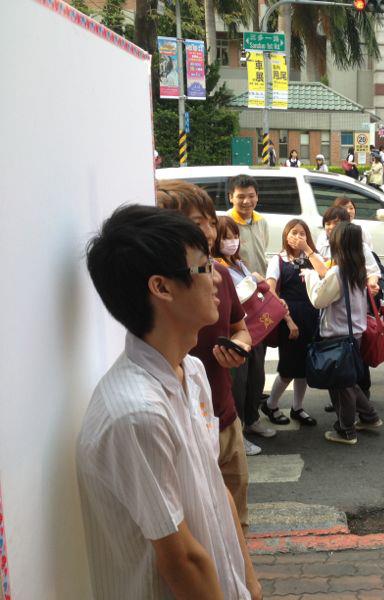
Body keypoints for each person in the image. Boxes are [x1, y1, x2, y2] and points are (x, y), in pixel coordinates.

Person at [80, 205, 261, 599]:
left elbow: (216, 489)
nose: (218, 278)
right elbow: (181, 561)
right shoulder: (137, 414)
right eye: (204, 267)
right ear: (161, 287)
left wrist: (250, 584)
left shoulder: (191, 371)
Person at [156, 180, 256, 530]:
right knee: (203, 529)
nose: (210, 232)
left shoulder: (222, 276)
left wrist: (240, 346)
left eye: (212, 222)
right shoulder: (160, 293)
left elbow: (241, 328)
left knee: (236, 522)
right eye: (197, 223)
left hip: (225, 418)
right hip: (187, 433)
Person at [305, 223, 383, 444]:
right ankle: (369, 416)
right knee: (347, 381)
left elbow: (318, 299)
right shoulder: (358, 268)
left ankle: (346, 430)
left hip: (337, 335)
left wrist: (310, 276)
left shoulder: (338, 272)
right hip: (353, 333)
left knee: (342, 386)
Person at [212, 216, 273, 456]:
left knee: (256, 378)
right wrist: (252, 282)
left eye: (235, 236)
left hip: (255, 330)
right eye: (226, 237)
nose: (232, 241)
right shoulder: (217, 268)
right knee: (238, 384)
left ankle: (252, 419)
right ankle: (239, 433)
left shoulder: (238, 263)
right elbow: (234, 297)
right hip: (235, 333)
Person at [262, 220, 328, 427]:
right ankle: (271, 404)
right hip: (289, 317)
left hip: (312, 316)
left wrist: (307, 249)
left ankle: (297, 407)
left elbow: (325, 274)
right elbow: (270, 291)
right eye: (293, 233)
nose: (298, 237)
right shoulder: (278, 260)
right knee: (288, 367)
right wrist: (288, 320)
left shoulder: (311, 257)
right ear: (286, 235)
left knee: (305, 366)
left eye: (302, 233)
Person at [226, 174, 276, 441]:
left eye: (251, 195)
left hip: (259, 305)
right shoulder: (226, 224)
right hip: (237, 310)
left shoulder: (261, 222)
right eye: (240, 196)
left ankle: (253, 418)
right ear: (231, 197)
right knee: (238, 374)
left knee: (257, 369)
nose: (246, 201)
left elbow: (261, 258)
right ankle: (237, 428)